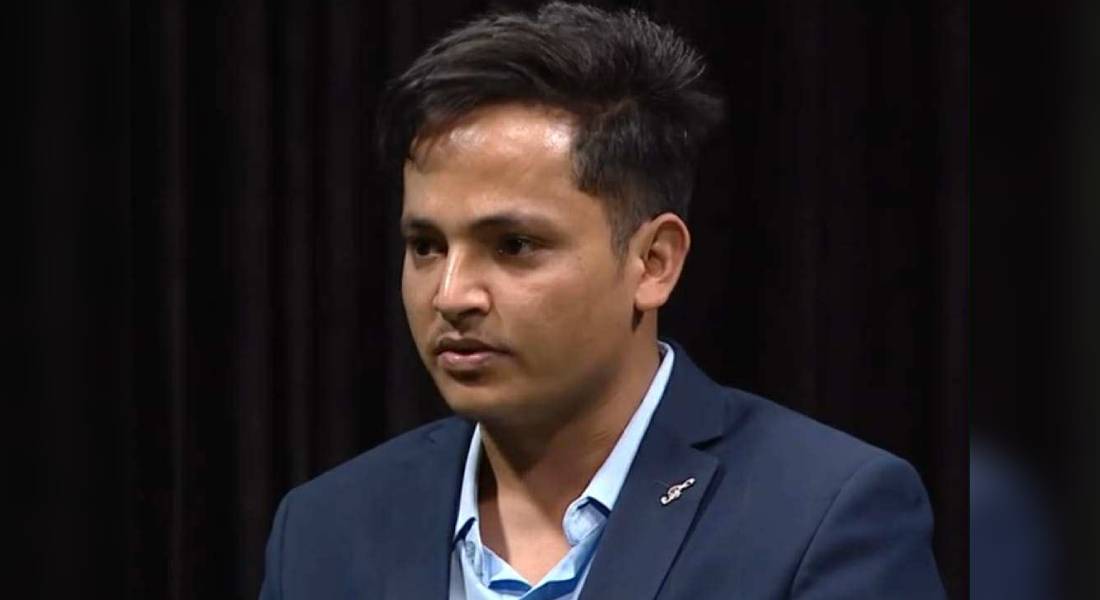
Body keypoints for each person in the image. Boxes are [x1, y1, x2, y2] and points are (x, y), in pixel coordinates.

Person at [259, 3, 945, 598]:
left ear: (654, 262)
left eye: (514, 245)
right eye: (426, 245)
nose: (452, 294)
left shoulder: (823, 515)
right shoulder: (324, 529)